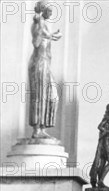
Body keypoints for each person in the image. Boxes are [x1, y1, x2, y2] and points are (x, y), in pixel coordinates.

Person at [28, 0, 62, 139]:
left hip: (46, 65)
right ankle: (37, 129)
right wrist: (37, 17)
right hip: (38, 64)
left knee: (52, 96)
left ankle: (42, 127)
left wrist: (54, 35)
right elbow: (37, 32)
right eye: (49, 10)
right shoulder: (38, 25)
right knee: (39, 96)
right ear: (43, 11)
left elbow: (48, 35)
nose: (51, 13)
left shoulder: (45, 28)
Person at [90, 104, 109, 189]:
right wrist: (108, 132)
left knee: (103, 162)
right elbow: (99, 126)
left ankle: (100, 179)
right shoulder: (106, 117)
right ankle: (100, 180)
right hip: (105, 143)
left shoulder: (108, 117)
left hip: (106, 141)